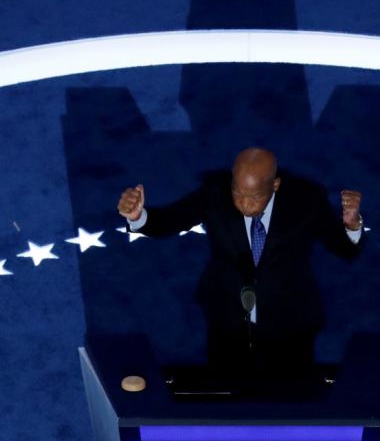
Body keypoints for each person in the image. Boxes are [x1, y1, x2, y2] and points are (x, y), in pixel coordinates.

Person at [117, 148, 363, 373]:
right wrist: (138, 216)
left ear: (275, 185)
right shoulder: (214, 193)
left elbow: (343, 248)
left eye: (255, 197)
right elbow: (171, 219)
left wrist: (352, 225)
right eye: (237, 193)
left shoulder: (307, 199)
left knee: (290, 401)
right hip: (227, 319)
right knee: (226, 400)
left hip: (290, 322)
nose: (244, 204)